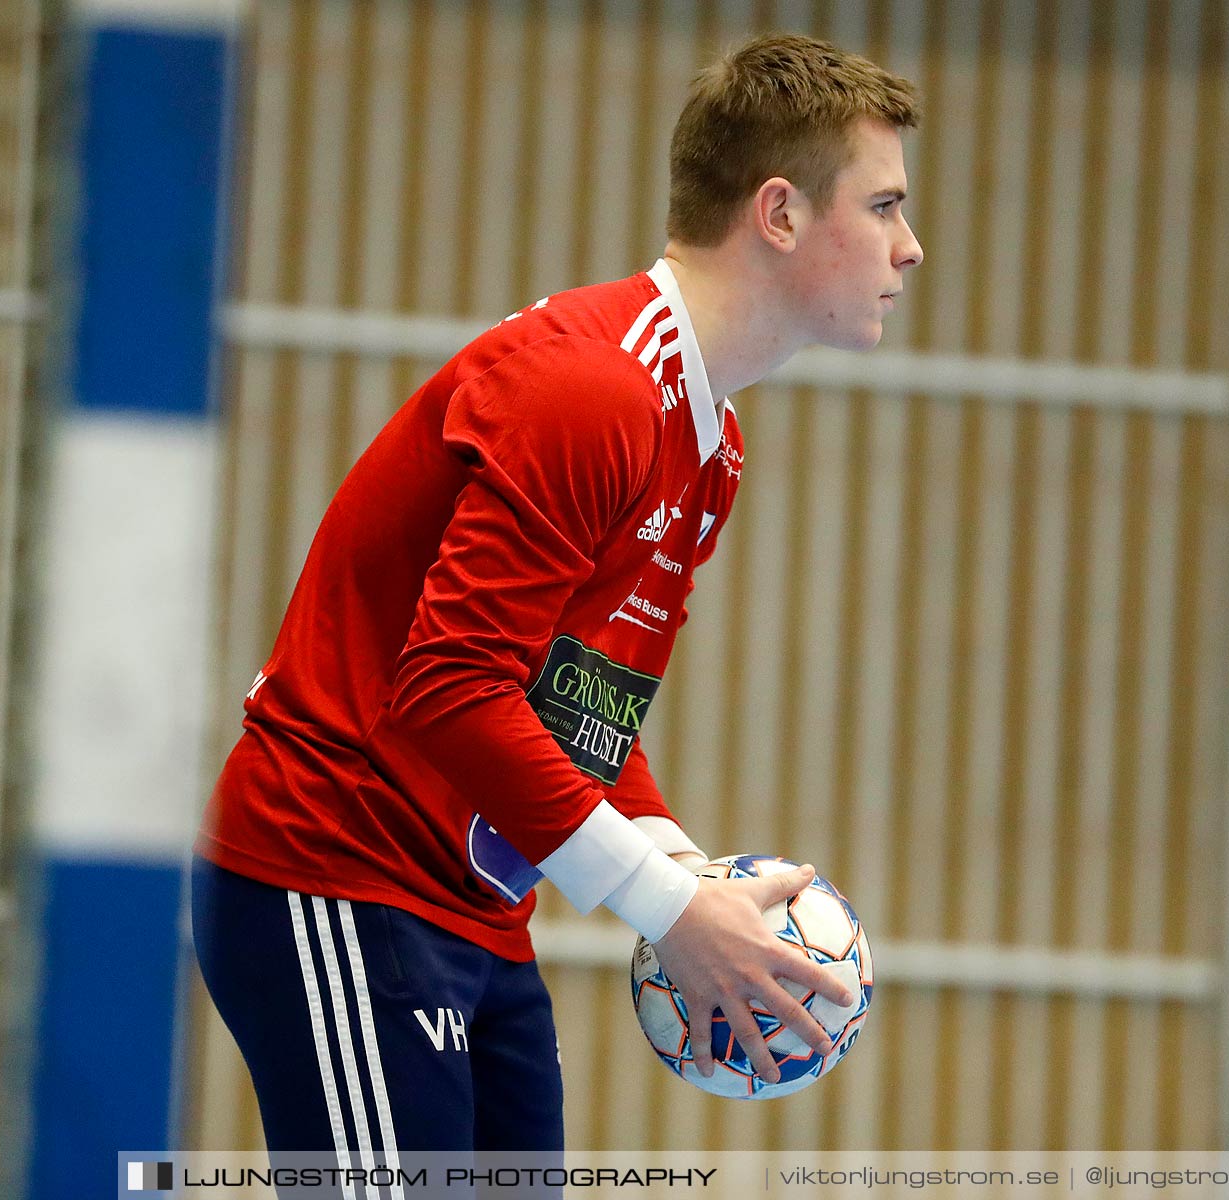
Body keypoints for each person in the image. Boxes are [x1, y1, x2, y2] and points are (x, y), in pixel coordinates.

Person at [191, 30, 924, 1164]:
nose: (908, 247)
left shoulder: (709, 443)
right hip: (336, 874)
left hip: (469, 907)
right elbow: (446, 689)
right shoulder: (590, 392)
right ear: (778, 213)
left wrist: (690, 878)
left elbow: (573, 710)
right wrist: (669, 909)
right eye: (882, 206)